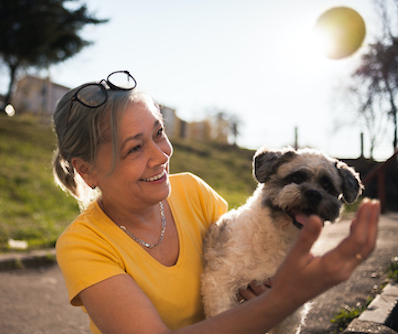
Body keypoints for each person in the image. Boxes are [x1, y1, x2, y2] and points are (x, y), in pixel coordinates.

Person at [52, 70, 380, 334]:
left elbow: (245, 282)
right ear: (86, 169)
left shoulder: (194, 192)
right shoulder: (83, 245)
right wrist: (278, 302)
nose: (161, 155)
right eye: (135, 148)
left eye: (159, 133)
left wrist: (262, 302)